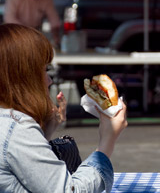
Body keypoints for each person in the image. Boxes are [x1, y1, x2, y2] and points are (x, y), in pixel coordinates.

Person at [0, 23, 128, 192]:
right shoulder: (17, 128)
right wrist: (106, 143)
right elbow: (69, 190)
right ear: (24, 76)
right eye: (44, 71)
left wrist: (46, 131)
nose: (49, 80)